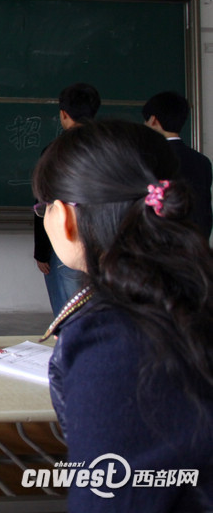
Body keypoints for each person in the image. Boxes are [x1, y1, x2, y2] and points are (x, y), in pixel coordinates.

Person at [33, 119, 213, 510]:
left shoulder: (112, 341)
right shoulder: (191, 291)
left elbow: (110, 497)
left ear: (64, 217)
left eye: (43, 205)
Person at [34, 82, 99, 315]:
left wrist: (41, 251)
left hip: (64, 246)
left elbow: (44, 203)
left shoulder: (55, 151)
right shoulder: (111, 148)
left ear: (63, 114)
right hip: (106, 244)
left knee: (67, 316)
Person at [142, 90, 212, 239]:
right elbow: (204, 213)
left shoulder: (148, 160)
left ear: (154, 120)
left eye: (146, 121)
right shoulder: (202, 162)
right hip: (194, 249)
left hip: (159, 248)